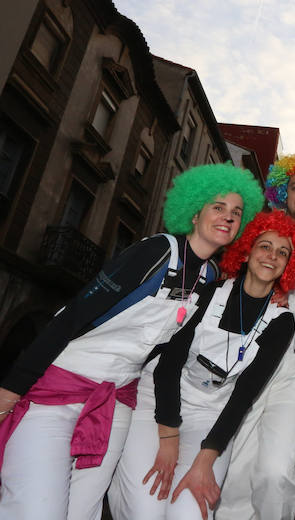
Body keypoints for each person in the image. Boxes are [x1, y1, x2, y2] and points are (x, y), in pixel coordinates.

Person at [0, 163, 263, 520]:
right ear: (195, 210)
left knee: (82, 513)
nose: (228, 217)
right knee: (35, 510)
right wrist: (12, 389)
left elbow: (169, 356)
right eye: (218, 207)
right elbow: (73, 316)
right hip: (56, 394)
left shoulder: (208, 277)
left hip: (116, 404)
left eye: (236, 213)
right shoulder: (154, 251)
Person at [109, 211, 295, 520]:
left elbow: (244, 396)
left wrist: (205, 461)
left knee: (189, 515)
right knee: (145, 511)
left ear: (290, 264)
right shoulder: (208, 293)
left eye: (282, 252)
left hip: (211, 418)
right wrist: (169, 439)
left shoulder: (283, 322)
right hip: (159, 405)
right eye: (264, 246)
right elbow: (169, 366)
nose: (272, 256)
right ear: (246, 251)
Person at [217, 152, 295, 520]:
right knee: (235, 473)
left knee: (275, 473)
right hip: (245, 365)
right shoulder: (258, 232)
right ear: (281, 192)